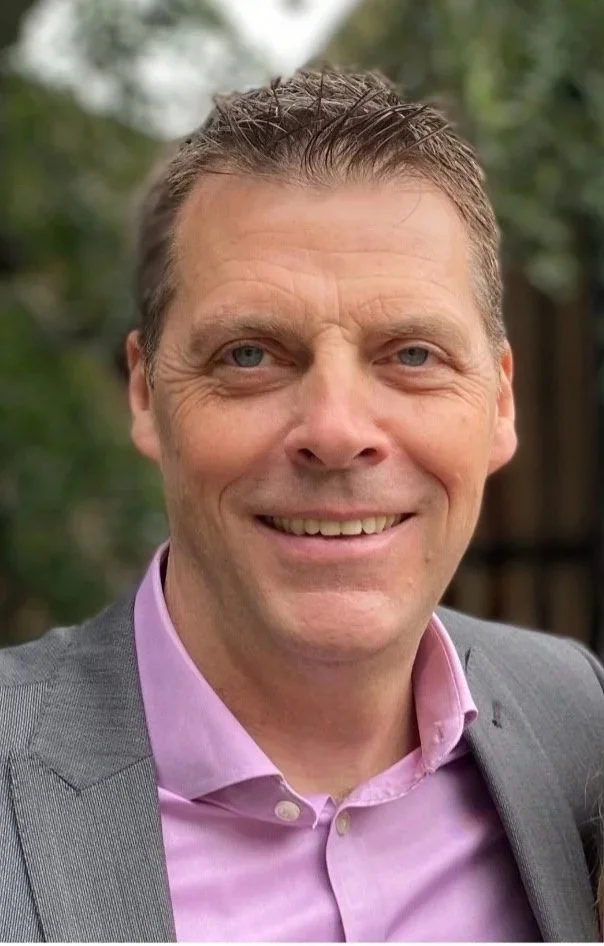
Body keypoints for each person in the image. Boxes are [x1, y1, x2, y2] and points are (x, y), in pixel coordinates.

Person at [1, 67, 603, 943]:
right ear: (145, 393)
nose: (336, 431)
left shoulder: (577, 718)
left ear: (500, 402)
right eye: (249, 355)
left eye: (413, 354)